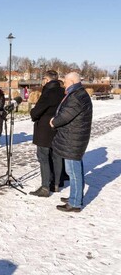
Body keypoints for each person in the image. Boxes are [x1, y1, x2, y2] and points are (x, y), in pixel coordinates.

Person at [50, 72, 93, 212]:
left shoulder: (77, 96)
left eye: (66, 82)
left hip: (73, 139)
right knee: (74, 170)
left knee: (73, 172)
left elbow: (66, 116)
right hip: (73, 137)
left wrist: (54, 122)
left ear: (73, 81)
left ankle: (75, 203)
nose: (64, 85)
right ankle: (75, 196)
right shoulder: (78, 93)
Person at [29, 71, 65, 197]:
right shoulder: (63, 92)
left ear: (47, 79)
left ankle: (45, 187)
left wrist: (32, 112)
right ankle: (56, 184)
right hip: (59, 127)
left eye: (43, 78)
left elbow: (36, 112)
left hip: (45, 129)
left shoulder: (47, 92)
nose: (42, 81)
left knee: (43, 157)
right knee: (57, 156)